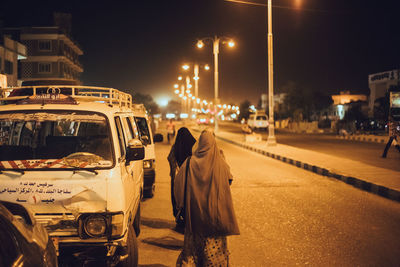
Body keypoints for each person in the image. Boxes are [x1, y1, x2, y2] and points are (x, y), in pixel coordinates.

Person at [174, 129, 240, 266]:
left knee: (192, 252)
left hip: (194, 218)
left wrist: (182, 204)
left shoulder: (189, 163)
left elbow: (178, 186)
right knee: (213, 253)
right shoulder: (220, 163)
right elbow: (229, 180)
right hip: (214, 218)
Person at [167, 127, 196, 221]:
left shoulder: (176, 146)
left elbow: (170, 158)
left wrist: (175, 170)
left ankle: (179, 217)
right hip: (191, 178)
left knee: (178, 197)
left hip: (178, 177)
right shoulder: (194, 146)